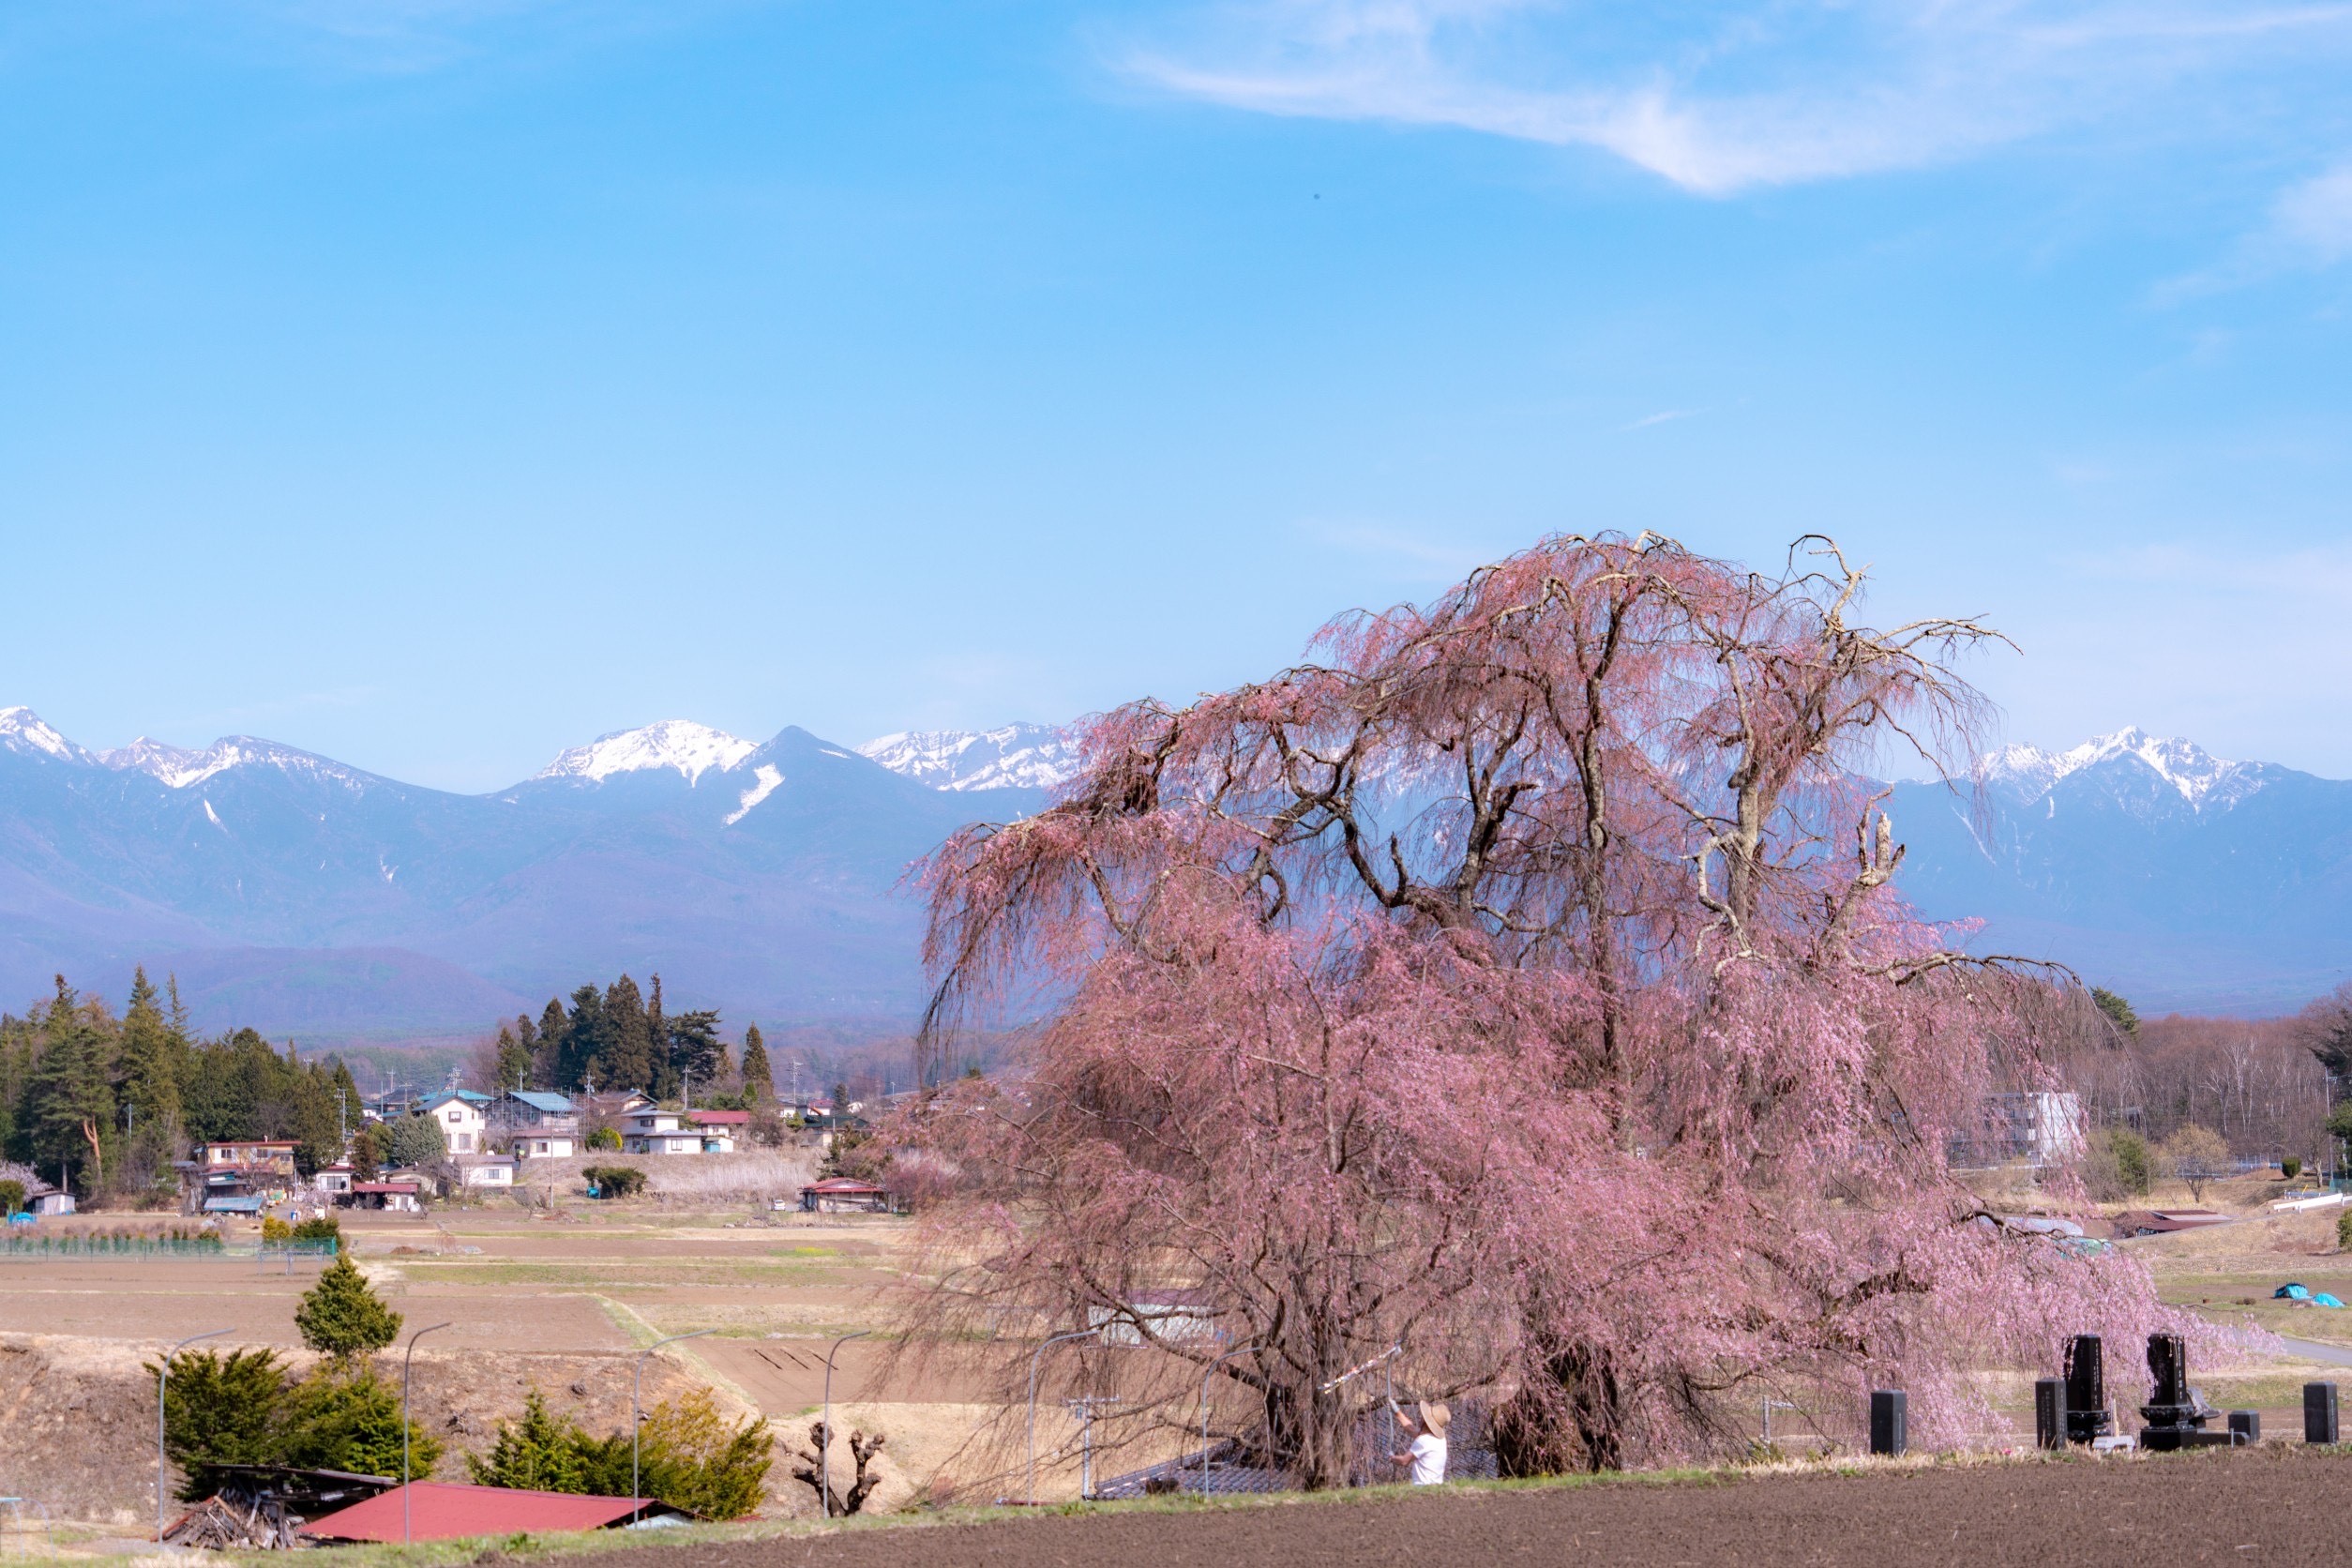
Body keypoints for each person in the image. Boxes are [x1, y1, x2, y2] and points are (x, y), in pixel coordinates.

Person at [1391, 1400, 1450, 1485]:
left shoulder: (1423, 1441)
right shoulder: (1441, 1440)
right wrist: (1396, 1410)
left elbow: (1404, 1461)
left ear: (1426, 1422)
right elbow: (1411, 1429)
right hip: (1437, 1487)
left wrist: (1392, 1458)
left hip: (1422, 1487)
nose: (1421, 1417)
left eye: (1424, 1417)